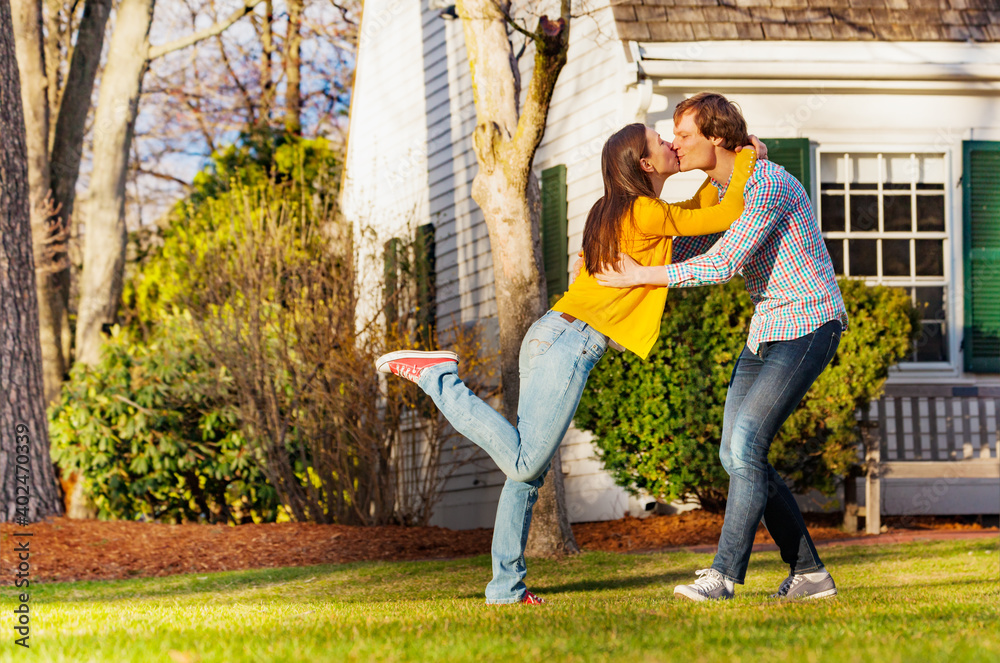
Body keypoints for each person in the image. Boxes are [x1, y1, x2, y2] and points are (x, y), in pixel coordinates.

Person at [376, 123, 760, 605]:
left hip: (556, 335)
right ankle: (437, 376)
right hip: (569, 342)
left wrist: (713, 168)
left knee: (526, 475)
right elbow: (725, 213)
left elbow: (699, 209)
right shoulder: (642, 210)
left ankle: (505, 590)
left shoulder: (623, 209)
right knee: (524, 462)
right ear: (644, 164)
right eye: (659, 142)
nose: (669, 143)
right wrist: (744, 158)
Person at [594, 92, 848, 602]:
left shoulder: (768, 185)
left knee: (747, 443)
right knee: (737, 453)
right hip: (766, 331)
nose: (676, 144)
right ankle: (810, 573)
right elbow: (683, 241)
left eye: (684, 135)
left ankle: (725, 576)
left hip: (809, 323)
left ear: (716, 136)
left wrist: (645, 273)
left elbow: (723, 263)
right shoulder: (721, 189)